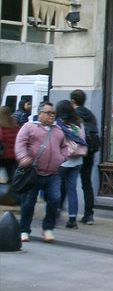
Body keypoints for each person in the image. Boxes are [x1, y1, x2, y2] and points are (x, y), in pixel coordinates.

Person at [15, 101, 68, 242]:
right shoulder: (29, 127)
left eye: (53, 113)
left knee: (55, 200)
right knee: (28, 202)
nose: (51, 116)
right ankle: (24, 230)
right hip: (33, 173)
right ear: (39, 114)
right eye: (48, 113)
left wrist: (62, 158)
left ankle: (48, 229)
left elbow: (64, 147)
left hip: (52, 173)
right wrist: (23, 158)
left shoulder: (58, 130)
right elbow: (20, 143)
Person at [55, 100, 88, 229]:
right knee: (72, 190)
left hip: (63, 160)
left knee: (55, 188)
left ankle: (53, 213)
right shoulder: (79, 122)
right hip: (77, 161)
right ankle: (72, 219)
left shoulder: (59, 124)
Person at [71, 89, 99, 224]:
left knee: (68, 181)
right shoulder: (91, 115)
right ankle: (89, 215)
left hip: (75, 151)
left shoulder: (73, 115)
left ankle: (64, 212)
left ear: (72, 101)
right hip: (90, 151)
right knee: (86, 182)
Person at [0, 106, 21, 204]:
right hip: (13, 157)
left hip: (2, 156)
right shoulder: (16, 126)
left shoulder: (1, 126)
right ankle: (13, 199)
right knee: (13, 179)